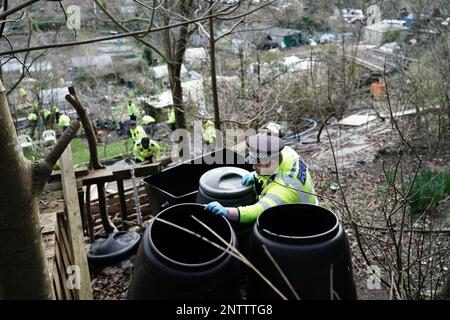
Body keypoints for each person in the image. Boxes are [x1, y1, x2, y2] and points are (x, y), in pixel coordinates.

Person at [204, 134, 318, 223]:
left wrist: (228, 212)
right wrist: (255, 174)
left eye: (257, 165)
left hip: (301, 219)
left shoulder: (284, 188)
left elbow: (258, 210)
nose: (253, 167)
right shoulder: (285, 152)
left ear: (270, 163)